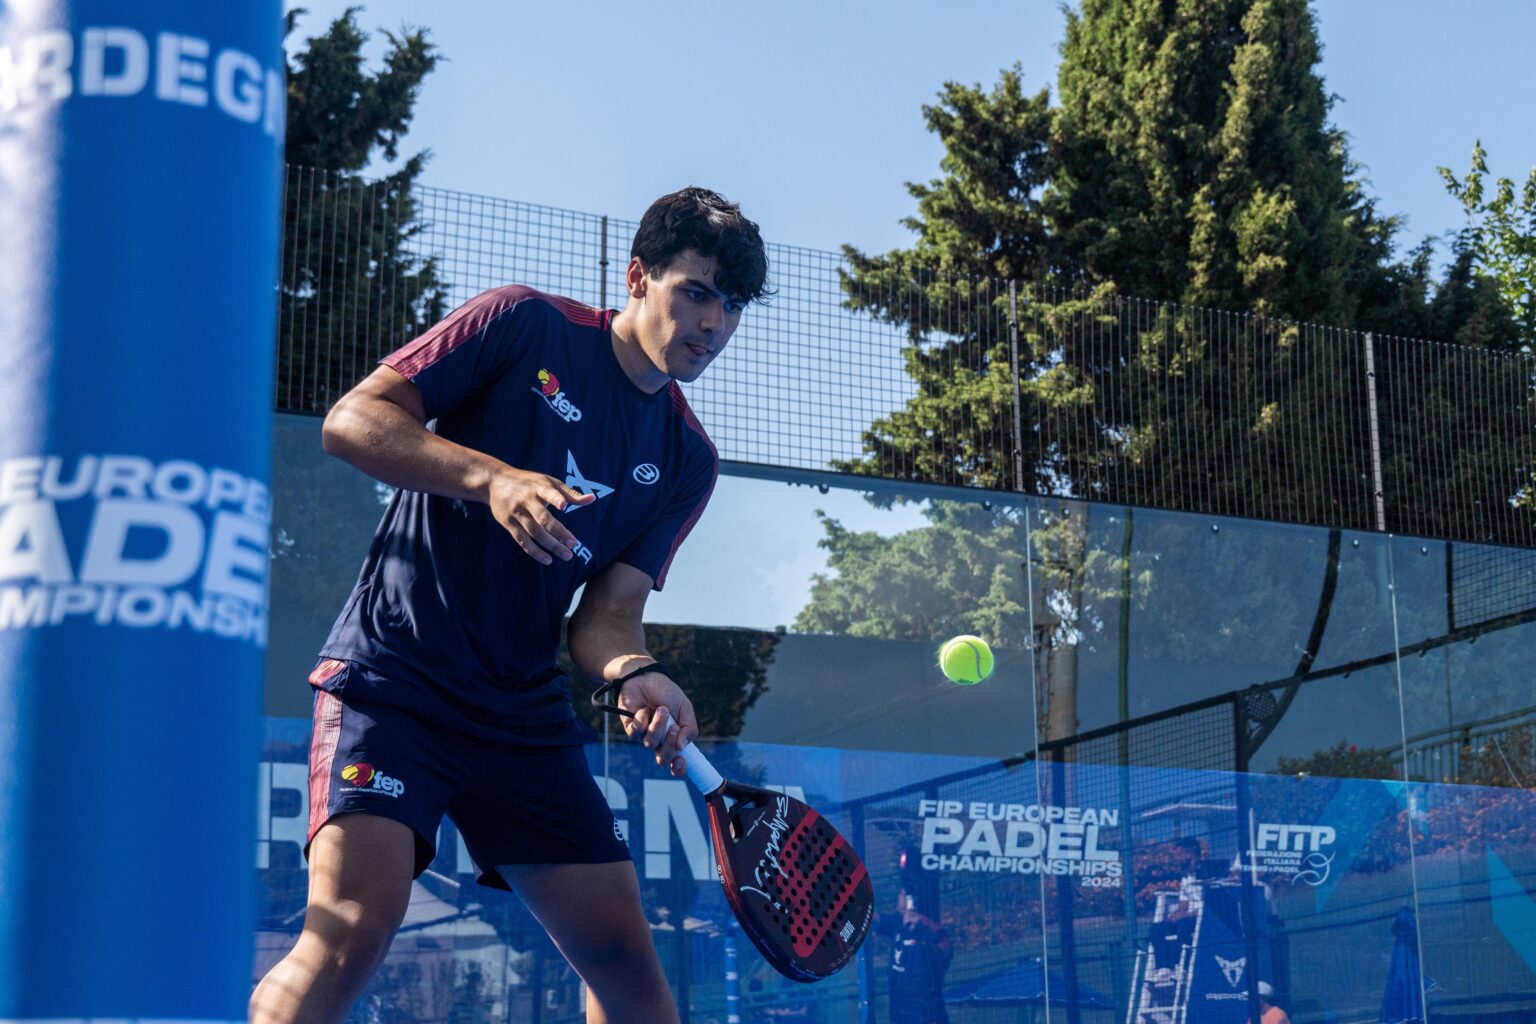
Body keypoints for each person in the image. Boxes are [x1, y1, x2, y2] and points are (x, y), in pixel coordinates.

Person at [249, 187, 771, 1024]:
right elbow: (352, 421)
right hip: (393, 681)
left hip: (519, 715)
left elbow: (607, 617)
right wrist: (491, 478)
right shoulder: (523, 323)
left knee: (627, 968)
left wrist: (635, 670)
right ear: (639, 277)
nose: (713, 323)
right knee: (351, 929)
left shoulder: (686, 461)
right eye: (697, 292)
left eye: (732, 305)